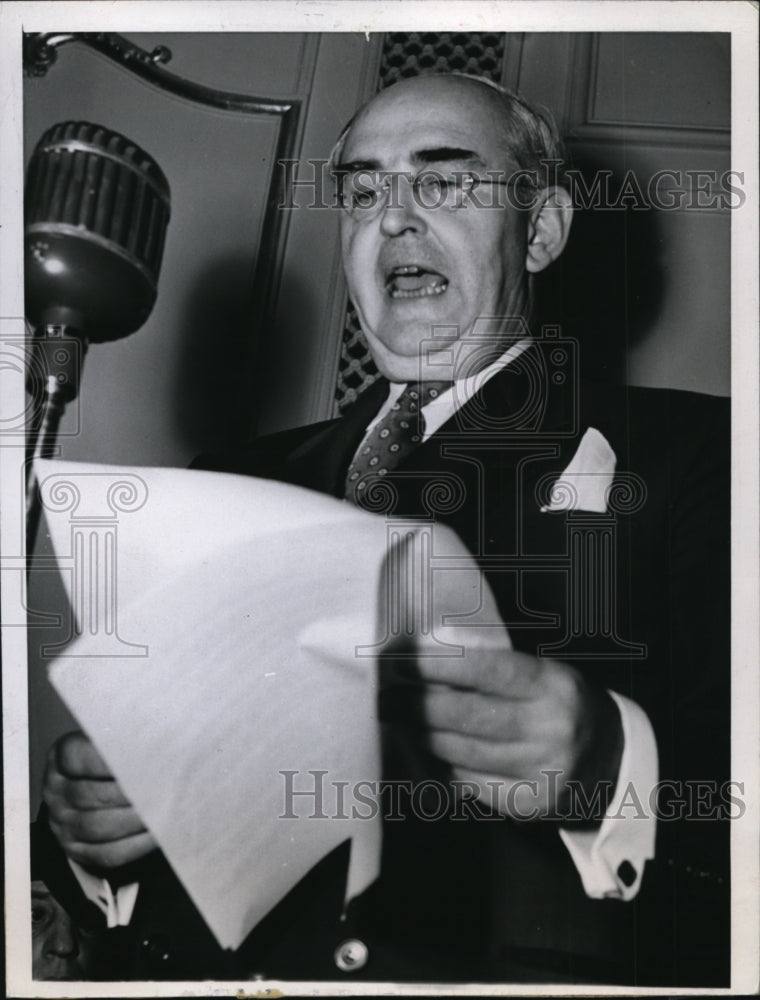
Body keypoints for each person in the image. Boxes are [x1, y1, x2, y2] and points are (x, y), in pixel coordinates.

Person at [39, 73, 730, 984]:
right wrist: (94, 844)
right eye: (363, 191)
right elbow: (135, 819)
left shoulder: (696, 455)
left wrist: (610, 766)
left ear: (544, 228)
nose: (394, 217)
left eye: (442, 182)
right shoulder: (225, 479)